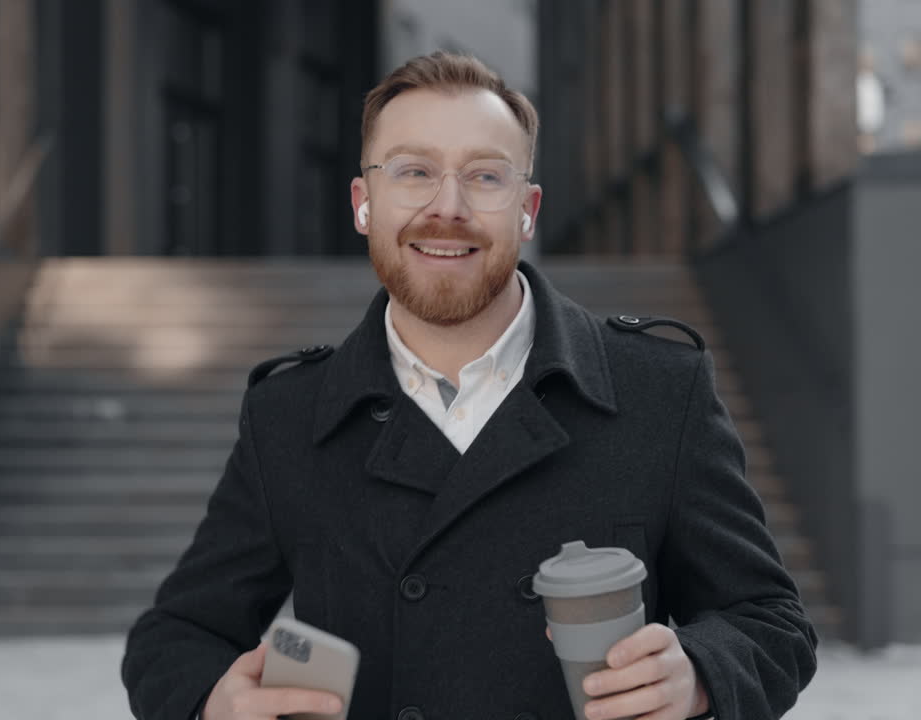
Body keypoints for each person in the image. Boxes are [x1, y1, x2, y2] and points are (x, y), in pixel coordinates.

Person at [122, 51, 817, 720]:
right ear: (364, 202)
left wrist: (697, 673)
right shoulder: (288, 416)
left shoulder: (660, 392)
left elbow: (771, 623)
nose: (446, 206)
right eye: (413, 171)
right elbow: (174, 638)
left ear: (528, 208)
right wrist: (215, 699)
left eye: (485, 177)